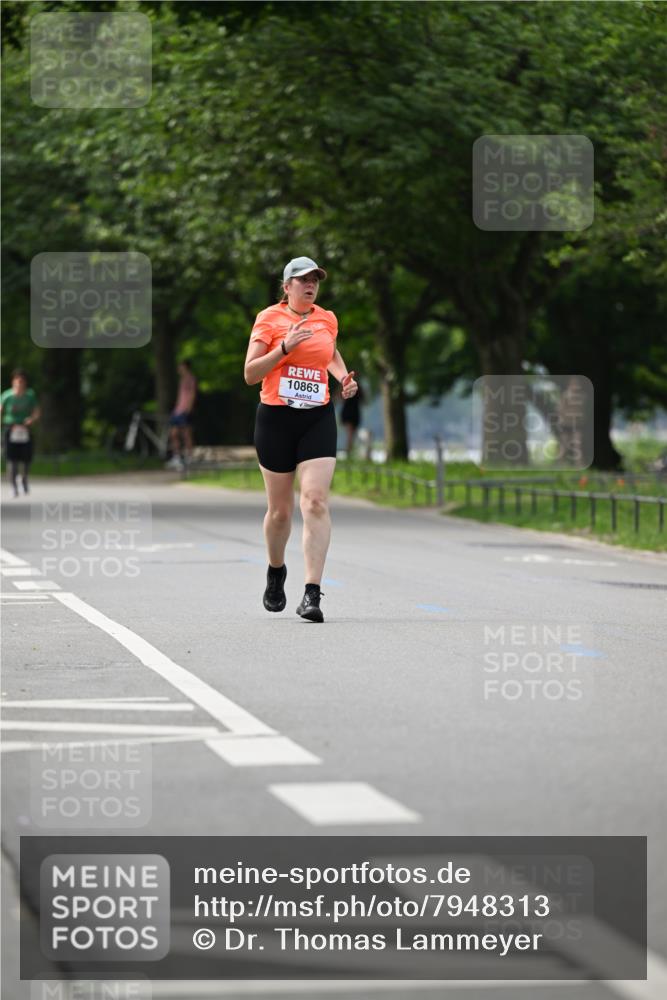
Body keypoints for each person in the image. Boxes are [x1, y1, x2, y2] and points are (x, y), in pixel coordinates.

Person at [244, 256, 358, 623]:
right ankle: (276, 571)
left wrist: (342, 377)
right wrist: (284, 349)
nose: (310, 285)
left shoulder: (327, 318)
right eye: (303, 280)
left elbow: (331, 352)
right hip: (276, 418)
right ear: (286, 286)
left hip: (317, 416)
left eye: (315, 280)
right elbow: (249, 373)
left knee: (315, 501)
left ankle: (312, 593)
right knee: (280, 513)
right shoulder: (268, 319)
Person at [1, 369, 40, 497]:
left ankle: (24, 479)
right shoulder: (7, 396)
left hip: (24, 429)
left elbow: (36, 411)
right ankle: (13, 486)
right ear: (13, 382)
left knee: (26, 458)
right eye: (17, 382)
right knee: (11, 459)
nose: (20, 384)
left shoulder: (30, 396)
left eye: (22, 382)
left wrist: (32, 419)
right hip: (10, 428)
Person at [166, 359, 197, 469]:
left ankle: (189, 457)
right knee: (173, 434)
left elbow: (192, 394)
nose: (179, 368)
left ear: (185, 367)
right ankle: (177, 457)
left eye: (181, 366)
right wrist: (176, 409)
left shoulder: (190, 379)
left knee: (186, 434)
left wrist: (188, 409)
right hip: (178, 410)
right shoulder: (182, 379)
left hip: (185, 410)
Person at [340, 377, 364, 456]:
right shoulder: (359, 388)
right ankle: (348, 451)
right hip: (353, 412)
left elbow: (338, 397)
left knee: (350, 434)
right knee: (351, 434)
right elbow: (365, 400)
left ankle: (348, 451)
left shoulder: (346, 386)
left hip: (350, 412)